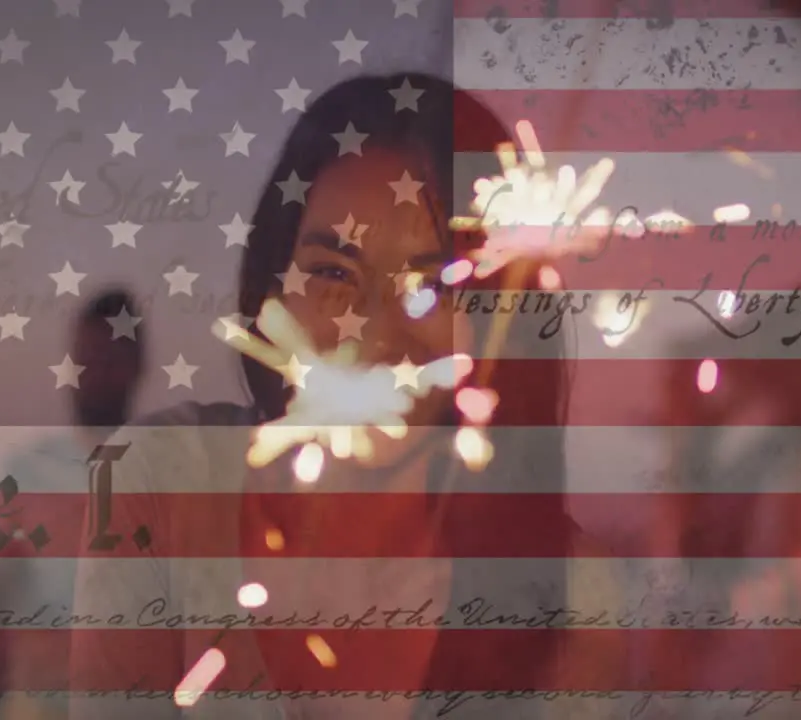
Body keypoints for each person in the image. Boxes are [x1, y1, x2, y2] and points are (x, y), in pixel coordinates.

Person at [68, 73, 615, 720]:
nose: (377, 333)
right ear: (272, 287)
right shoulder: (164, 481)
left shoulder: (572, 590)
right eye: (331, 272)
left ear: (503, 309)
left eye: (434, 284)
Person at [0, 289, 146, 720]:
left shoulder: (168, 475)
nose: (92, 374)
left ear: (136, 367)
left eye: (108, 359)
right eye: (83, 358)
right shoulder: (26, 472)